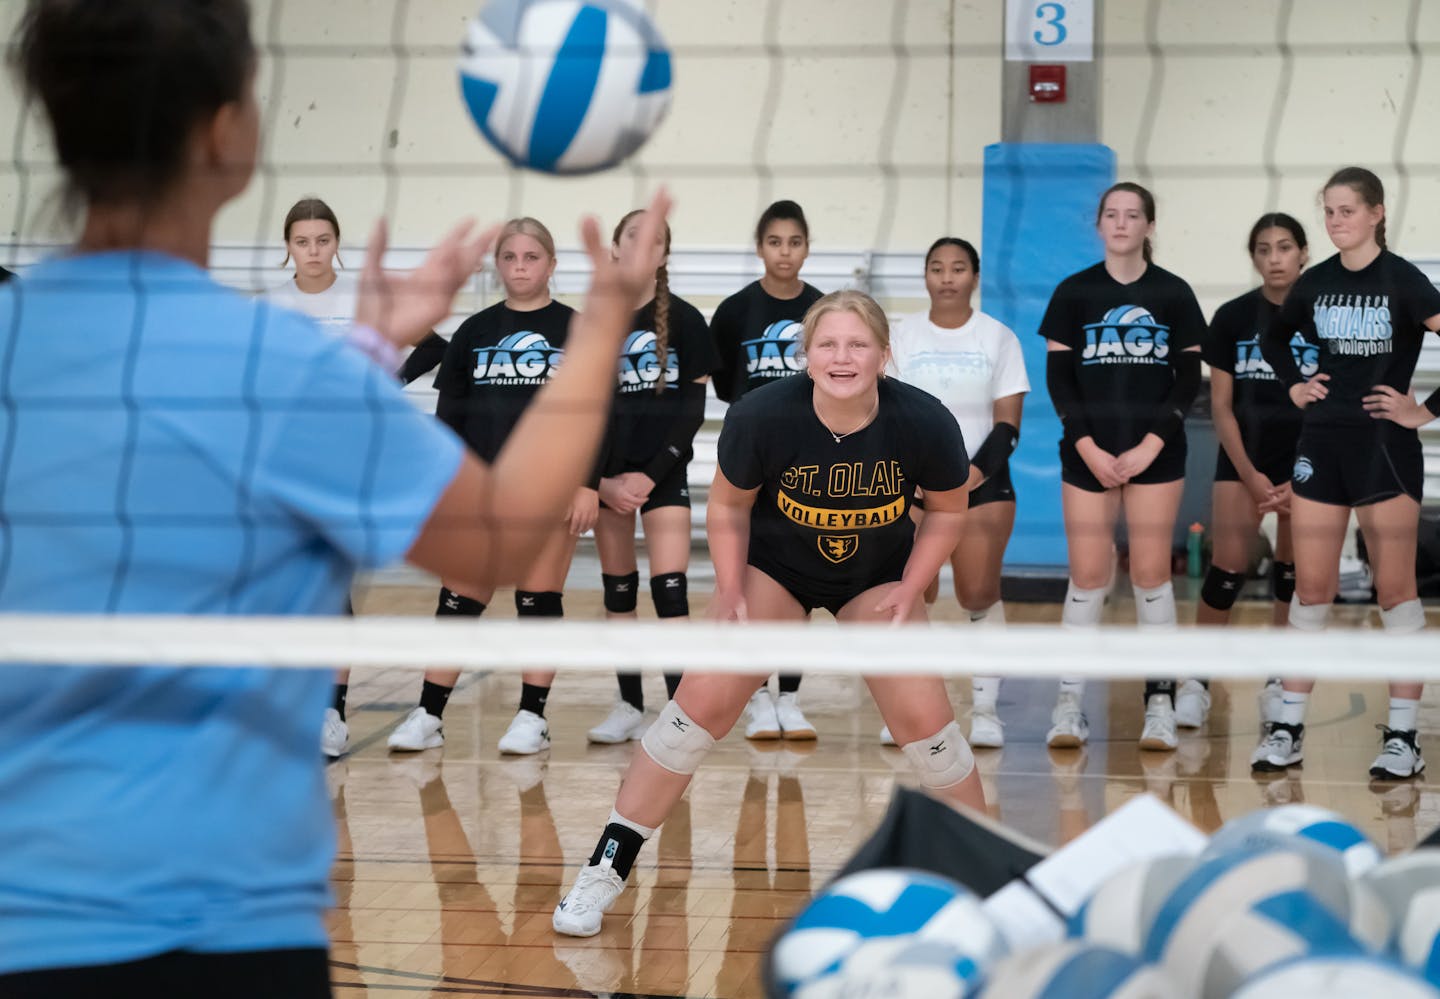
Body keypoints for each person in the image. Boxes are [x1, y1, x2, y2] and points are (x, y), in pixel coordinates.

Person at [0, 2, 668, 990]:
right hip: (218, 933)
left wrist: (364, 354)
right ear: (230, 130)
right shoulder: (275, 372)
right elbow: (492, 542)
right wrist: (605, 324)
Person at [552, 290, 987, 938]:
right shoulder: (763, 415)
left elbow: (949, 510)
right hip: (776, 569)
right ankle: (605, 866)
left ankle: (985, 883)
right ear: (806, 354)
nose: (843, 357)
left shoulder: (924, 420)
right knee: (696, 708)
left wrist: (913, 585)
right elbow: (727, 508)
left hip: (875, 576)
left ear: (883, 354)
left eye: (858, 344)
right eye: (828, 344)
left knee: (928, 724)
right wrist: (729, 589)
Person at [1252, 167, 1440, 780]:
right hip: (1321, 446)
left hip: (1385, 449)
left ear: (1377, 213)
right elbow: (1276, 339)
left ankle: (1405, 740)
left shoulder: (1406, 282)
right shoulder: (1315, 282)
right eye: (1328, 212)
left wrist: (1424, 410)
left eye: (1347, 211)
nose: (1336, 222)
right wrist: (1295, 384)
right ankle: (1287, 728)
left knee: (1394, 590)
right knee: (1311, 589)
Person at [387, 217, 593, 756]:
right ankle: (428, 713)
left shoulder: (578, 329)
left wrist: (586, 483)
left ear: (551, 264)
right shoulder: (474, 333)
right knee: (458, 597)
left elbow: (599, 414)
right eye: (509, 258)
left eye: (531, 257)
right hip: (482, 489)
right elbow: (449, 419)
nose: (520, 267)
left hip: (550, 486)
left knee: (538, 597)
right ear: (496, 265)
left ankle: (533, 717)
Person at [267, 196, 449, 758]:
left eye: (323, 240)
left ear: (337, 244)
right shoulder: (273, 304)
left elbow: (437, 345)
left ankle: (331, 712)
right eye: (303, 242)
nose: (314, 251)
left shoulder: (363, 296)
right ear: (288, 247)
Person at [1040, 181, 1206, 752]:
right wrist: (1086, 445)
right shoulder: (1074, 292)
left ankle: (1158, 703)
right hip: (1088, 452)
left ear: (1149, 226)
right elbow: (1059, 378)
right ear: (1100, 224)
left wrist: (1150, 446)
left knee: (1151, 576)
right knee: (1087, 577)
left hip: (1155, 454)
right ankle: (1069, 704)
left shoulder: (1175, 294)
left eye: (1132, 215)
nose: (1120, 224)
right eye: (1111, 214)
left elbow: (1189, 379)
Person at [886, 237, 1029, 749]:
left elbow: (1008, 429)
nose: (947, 277)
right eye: (937, 268)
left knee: (977, 594)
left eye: (959, 268)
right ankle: (906, 709)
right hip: (910, 489)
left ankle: (986, 710)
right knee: (909, 593)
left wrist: (963, 478)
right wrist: (919, 483)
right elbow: (887, 415)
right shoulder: (899, 336)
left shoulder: (997, 338)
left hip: (982, 486)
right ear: (925, 276)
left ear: (974, 277)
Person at [586, 210, 720, 744]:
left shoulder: (686, 320)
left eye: (656, 242)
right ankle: (628, 706)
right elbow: (581, 414)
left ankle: (680, 715)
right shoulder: (594, 321)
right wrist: (602, 483)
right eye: (633, 239)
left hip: (662, 474)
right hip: (608, 480)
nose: (644, 249)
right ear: (616, 249)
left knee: (671, 592)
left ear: (664, 254)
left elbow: (692, 412)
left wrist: (651, 473)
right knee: (619, 593)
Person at [710, 199, 824, 742]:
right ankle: (758, 698)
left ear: (807, 247)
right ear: (761, 247)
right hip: (753, 464)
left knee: (801, 580)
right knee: (756, 580)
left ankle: (792, 697)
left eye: (795, 242)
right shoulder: (734, 311)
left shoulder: (824, 309)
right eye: (775, 242)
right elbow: (725, 389)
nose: (785, 252)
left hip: (812, 460)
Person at [1198, 213, 1311, 727]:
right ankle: (1197, 681)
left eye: (1284, 247)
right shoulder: (1232, 317)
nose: (1274, 258)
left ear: (1303, 253)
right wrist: (1249, 474)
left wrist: (1301, 474)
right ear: (1253, 258)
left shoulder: (1321, 315)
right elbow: (1221, 405)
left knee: (1293, 575)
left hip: (1308, 463)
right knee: (1226, 570)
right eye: (1263, 249)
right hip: (1243, 460)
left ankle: (1279, 683)